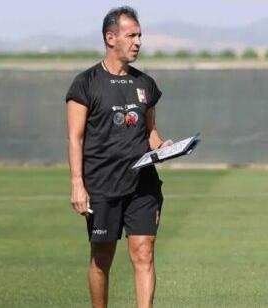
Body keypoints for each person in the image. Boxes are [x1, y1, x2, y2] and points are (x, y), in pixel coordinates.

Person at [65, 6, 171, 308]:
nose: (138, 41)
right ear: (110, 38)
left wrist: (162, 147)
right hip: (102, 184)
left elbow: (150, 131)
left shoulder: (145, 84)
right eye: (131, 35)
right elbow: (75, 136)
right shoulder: (85, 84)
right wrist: (77, 183)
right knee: (102, 257)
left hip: (142, 183)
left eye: (139, 35)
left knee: (144, 251)